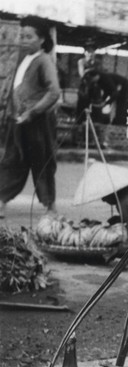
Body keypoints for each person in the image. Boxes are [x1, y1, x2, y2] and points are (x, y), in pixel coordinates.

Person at [0, 17, 61, 219]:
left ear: (42, 39)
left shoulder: (44, 61)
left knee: (42, 162)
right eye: (22, 35)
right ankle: (1, 200)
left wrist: (32, 112)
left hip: (38, 123)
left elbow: (54, 92)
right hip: (18, 122)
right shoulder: (23, 58)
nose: (23, 39)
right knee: (12, 160)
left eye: (29, 36)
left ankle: (50, 206)